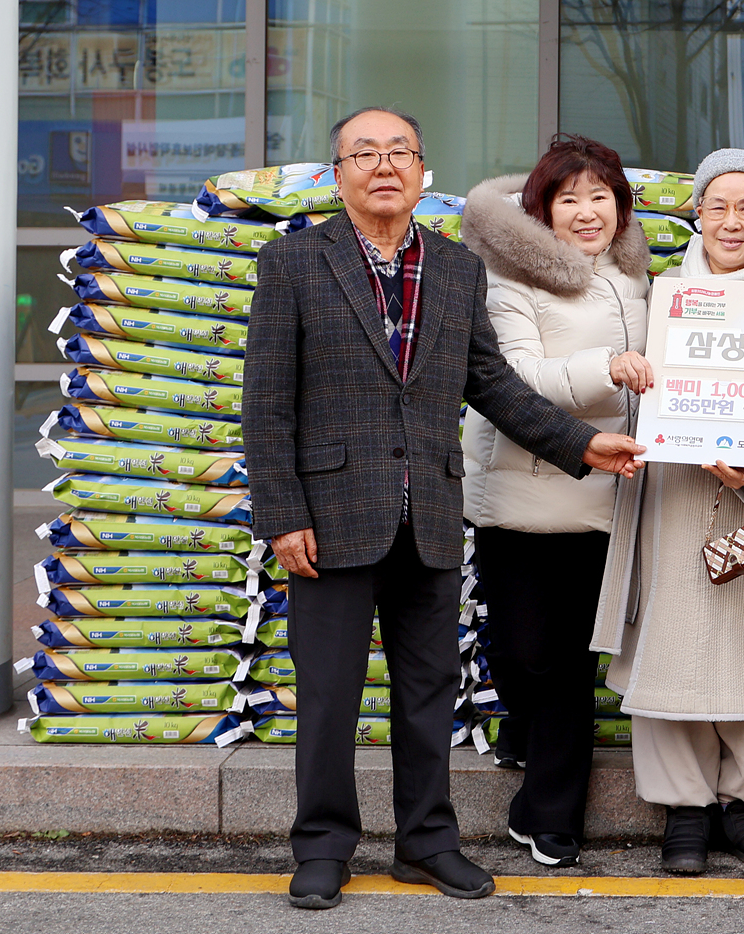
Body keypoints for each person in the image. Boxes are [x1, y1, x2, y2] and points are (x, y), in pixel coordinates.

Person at [245, 108, 646, 911]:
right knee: (329, 693)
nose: (384, 165)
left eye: (400, 151)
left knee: (426, 693)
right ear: (337, 174)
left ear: (424, 171)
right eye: (365, 153)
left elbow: (492, 385)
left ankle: (426, 841)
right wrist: (282, 513)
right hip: (328, 516)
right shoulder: (293, 262)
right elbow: (267, 404)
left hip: (427, 511)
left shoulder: (458, 269)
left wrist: (581, 445)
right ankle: (323, 845)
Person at [591, 149, 744, 875]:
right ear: (696, 212)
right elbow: (624, 387)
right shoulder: (657, 295)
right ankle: (684, 808)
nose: (731, 221)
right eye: (717, 205)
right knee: (671, 640)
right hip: (670, 492)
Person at [460, 133, 653, 870]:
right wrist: (607, 367)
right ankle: (528, 736)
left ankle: (552, 815)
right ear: (541, 209)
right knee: (521, 654)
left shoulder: (641, 283)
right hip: (522, 499)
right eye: (567, 197)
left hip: (610, 501)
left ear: (620, 205)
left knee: (569, 664)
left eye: (599, 195)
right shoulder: (510, 283)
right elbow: (515, 380)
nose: (585, 211)